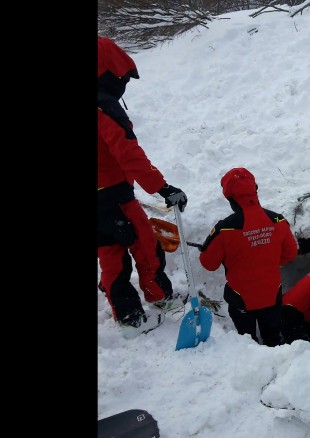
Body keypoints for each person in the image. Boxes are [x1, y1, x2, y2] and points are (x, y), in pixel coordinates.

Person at [98, 36, 188, 329]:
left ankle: (128, 318)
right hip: (114, 196)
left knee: (111, 255)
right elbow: (129, 154)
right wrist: (163, 188)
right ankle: (159, 296)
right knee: (145, 245)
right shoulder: (104, 107)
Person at [198, 167, 298, 346]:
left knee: (246, 342)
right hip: (272, 294)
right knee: (274, 339)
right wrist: (270, 261)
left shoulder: (225, 228)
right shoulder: (278, 220)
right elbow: (291, 253)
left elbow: (208, 264)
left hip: (240, 298)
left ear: (229, 197)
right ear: (255, 190)